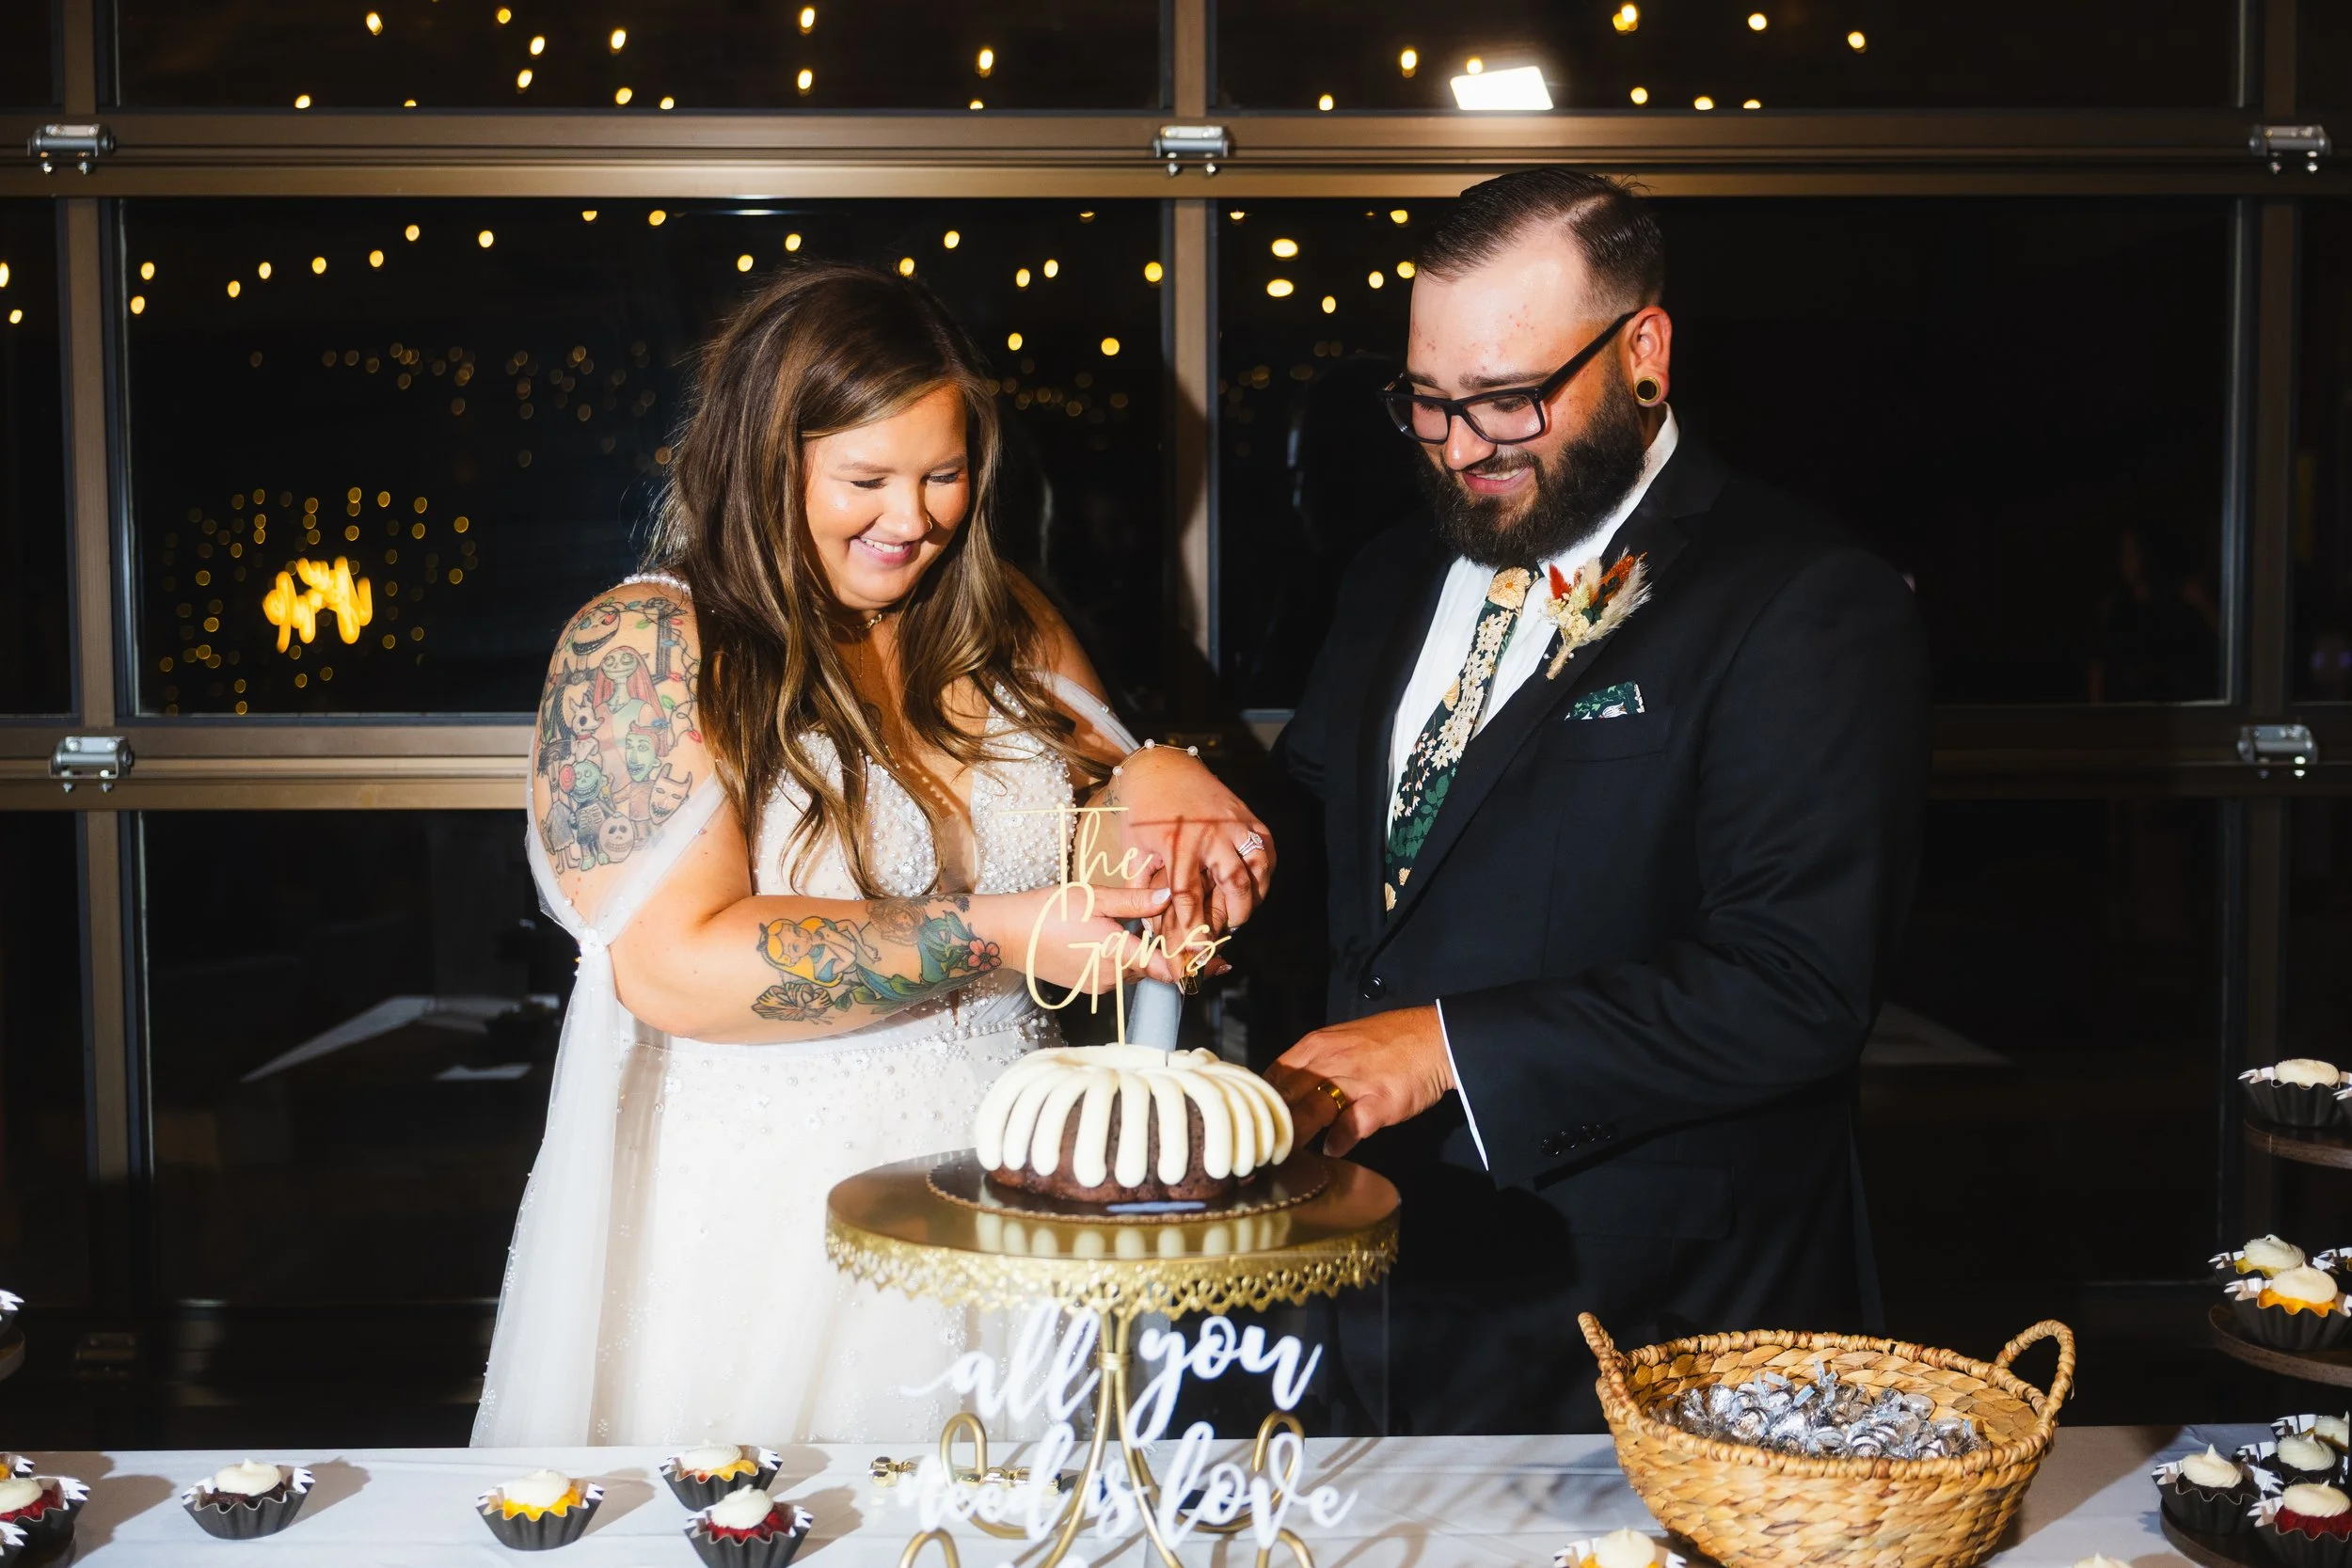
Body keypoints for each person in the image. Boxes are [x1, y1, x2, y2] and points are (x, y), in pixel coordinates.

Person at [475, 261, 1276, 1446]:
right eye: (866, 479)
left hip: (1020, 1191)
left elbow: (1088, 826)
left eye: (944, 476)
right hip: (777, 1221)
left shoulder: (1002, 612)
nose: (912, 520)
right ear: (764, 460)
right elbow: (672, 967)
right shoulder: (644, 645)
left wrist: (1155, 790)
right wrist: (1000, 931)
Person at [1268, 168, 1931, 1433]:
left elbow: (1798, 985)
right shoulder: (1388, 570)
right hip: (1378, 1305)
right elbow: (1355, 865)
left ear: (1644, 350)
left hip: (1654, 1326)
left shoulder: (1804, 599)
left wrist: (1445, 1043)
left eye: (1510, 400)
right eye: (1427, 400)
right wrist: (1197, 806)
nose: (1462, 446)